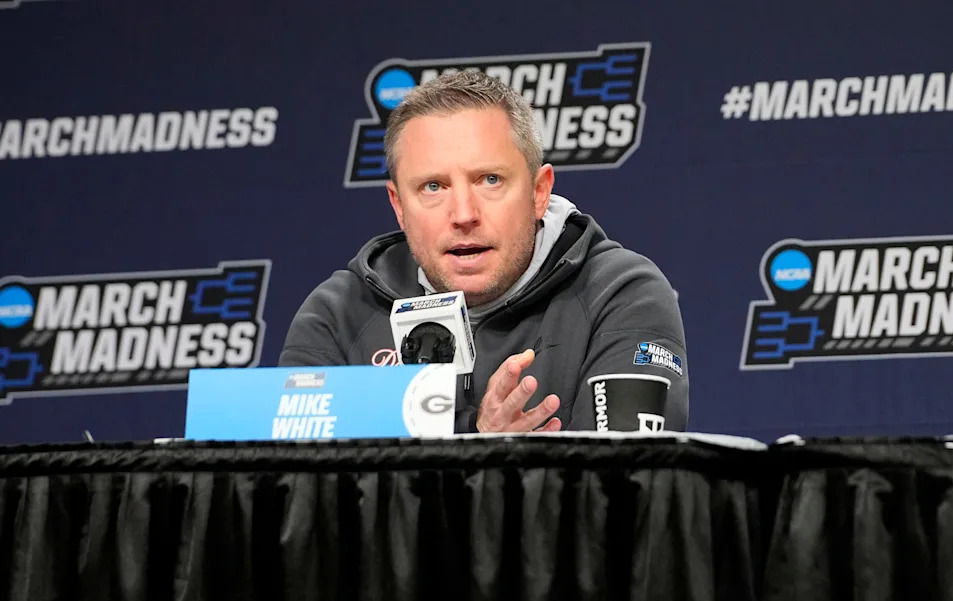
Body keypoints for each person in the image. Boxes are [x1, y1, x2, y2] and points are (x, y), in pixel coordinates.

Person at [279, 70, 689, 433]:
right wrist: (477, 440)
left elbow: (625, 483)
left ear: (539, 191)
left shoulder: (620, 295)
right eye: (433, 187)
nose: (463, 215)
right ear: (399, 206)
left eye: (489, 180)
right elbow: (292, 486)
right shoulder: (339, 314)